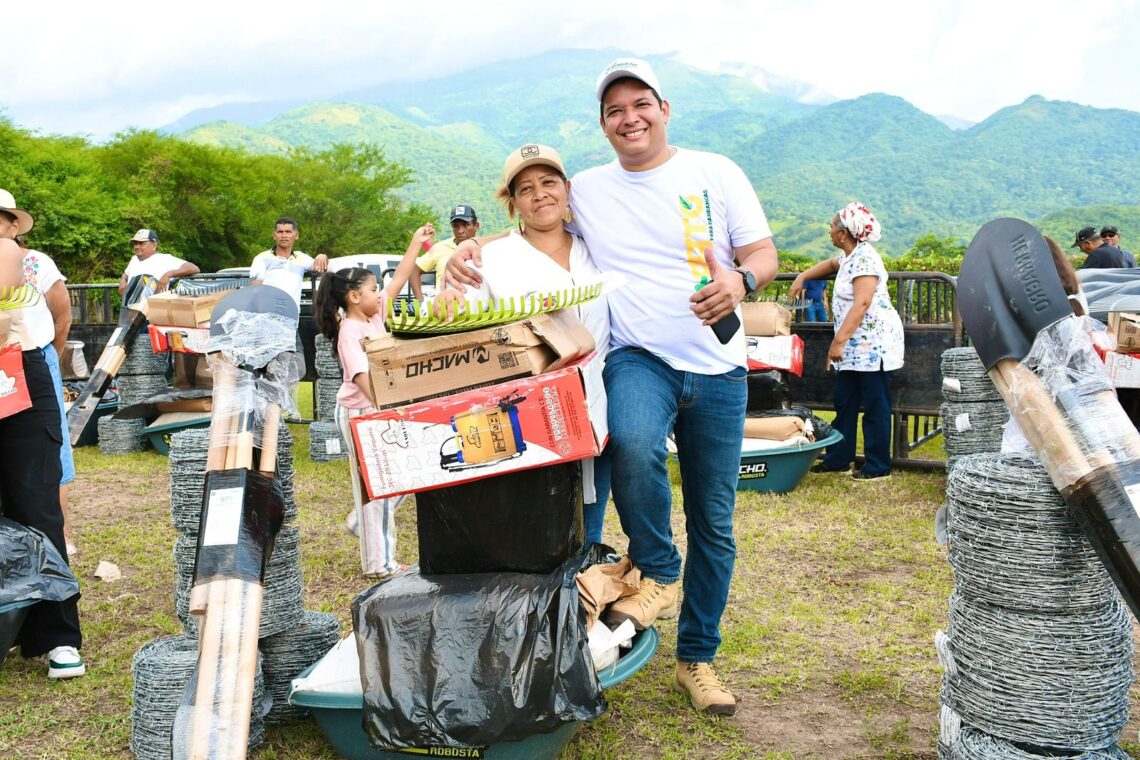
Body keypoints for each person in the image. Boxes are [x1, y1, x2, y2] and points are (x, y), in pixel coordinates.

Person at [446, 58, 778, 715]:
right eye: (614, 111)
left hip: (718, 368)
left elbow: (762, 254)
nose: (629, 118)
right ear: (602, 127)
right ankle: (654, 568)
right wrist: (463, 252)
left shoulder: (717, 171)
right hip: (639, 358)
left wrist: (740, 282)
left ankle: (698, 659)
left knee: (715, 521)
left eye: (640, 105)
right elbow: (526, 229)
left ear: (664, 109)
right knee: (629, 440)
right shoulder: (591, 188)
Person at [440, 144, 613, 545]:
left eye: (549, 182)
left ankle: (577, 603)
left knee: (589, 528)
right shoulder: (492, 258)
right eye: (526, 188)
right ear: (513, 203)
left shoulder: (598, 247)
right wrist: (447, 300)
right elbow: (464, 325)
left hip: (597, 415)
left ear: (567, 188)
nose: (540, 195)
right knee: (532, 533)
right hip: (526, 422)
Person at [313, 224, 434, 578]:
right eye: (372, 290)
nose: (380, 294)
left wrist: (414, 243)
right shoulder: (350, 332)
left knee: (404, 477)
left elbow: (397, 282)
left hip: (377, 410)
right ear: (353, 296)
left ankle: (359, 523)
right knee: (376, 487)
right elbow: (362, 378)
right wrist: (391, 407)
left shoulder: (373, 317)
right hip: (360, 411)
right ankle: (379, 563)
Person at [0, 237, 84, 678]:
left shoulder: (14, 254)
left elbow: (7, 277)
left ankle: (58, 636)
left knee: (36, 506)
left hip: (18, 373)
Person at [790, 202, 904, 481]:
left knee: (876, 404)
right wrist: (803, 276)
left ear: (843, 234)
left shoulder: (865, 258)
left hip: (872, 344)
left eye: (831, 228)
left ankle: (878, 466)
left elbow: (862, 302)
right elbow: (829, 264)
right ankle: (839, 459)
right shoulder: (848, 257)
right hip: (853, 345)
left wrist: (837, 342)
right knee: (845, 400)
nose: (829, 232)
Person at [0, 190, 77, 556]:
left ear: (14, 225)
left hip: (31, 363)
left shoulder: (29, 260)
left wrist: (50, 361)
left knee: (44, 465)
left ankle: (56, 535)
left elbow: (62, 317)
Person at [249, 216, 329, 308]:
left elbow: (321, 266)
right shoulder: (261, 258)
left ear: (296, 235)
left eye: (288, 232)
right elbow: (254, 290)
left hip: (291, 317)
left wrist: (322, 256)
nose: (284, 236)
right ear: (274, 235)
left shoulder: (302, 258)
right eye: (280, 232)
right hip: (267, 315)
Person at [411, 205, 479, 299]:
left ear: (476, 226)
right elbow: (414, 269)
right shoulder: (440, 247)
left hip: (478, 310)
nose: (460, 231)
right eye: (456, 226)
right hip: (443, 308)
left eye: (466, 225)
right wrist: (420, 301)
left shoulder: (486, 248)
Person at [119, 229, 199, 294]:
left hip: (154, 309)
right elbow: (126, 274)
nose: (136, 247)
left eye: (141, 243)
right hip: (131, 310)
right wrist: (123, 280)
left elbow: (193, 268)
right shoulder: (134, 259)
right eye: (135, 243)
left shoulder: (164, 259)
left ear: (154, 245)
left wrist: (168, 274)